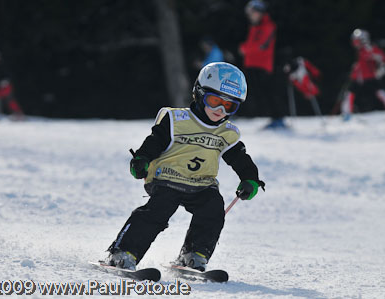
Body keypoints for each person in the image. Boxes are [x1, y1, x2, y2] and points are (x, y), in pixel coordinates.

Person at [105, 62, 265, 272]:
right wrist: (142, 159)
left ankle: (194, 254)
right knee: (157, 212)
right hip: (167, 179)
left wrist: (250, 179)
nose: (220, 110)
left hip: (202, 185)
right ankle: (123, 253)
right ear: (199, 94)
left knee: (213, 209)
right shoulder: (176, 120)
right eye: (215, 101)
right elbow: (155, 141)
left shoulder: (227, 132)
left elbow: (240, 158)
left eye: (229, 106)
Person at [239, 0, 286, 128]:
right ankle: (274, 118)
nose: (250, 15)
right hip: (252, 65)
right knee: (262, 95)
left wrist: (244, 49)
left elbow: (262, 45)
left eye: (252, 12)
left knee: (270, 93)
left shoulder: (268, 26)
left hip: (263, 66)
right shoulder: (254, 26)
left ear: (259, 12)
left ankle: (279, 119)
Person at [341, 29, 385, 121]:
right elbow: (362, 63)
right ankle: (346, 115)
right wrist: (355, 69)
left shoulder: (369, 49)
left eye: (357, 40)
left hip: (370, 77)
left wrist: (381, 68)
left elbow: (382, 58)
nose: (355, 43)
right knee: (349, 94)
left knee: (381, 93)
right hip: (359, 78)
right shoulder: (360, 51)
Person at [0, 50, 24, 121]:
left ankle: (18, 114)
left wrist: (5, 81)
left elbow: (8, 75)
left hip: (5, 86)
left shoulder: (2, 64)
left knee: (9, 100)